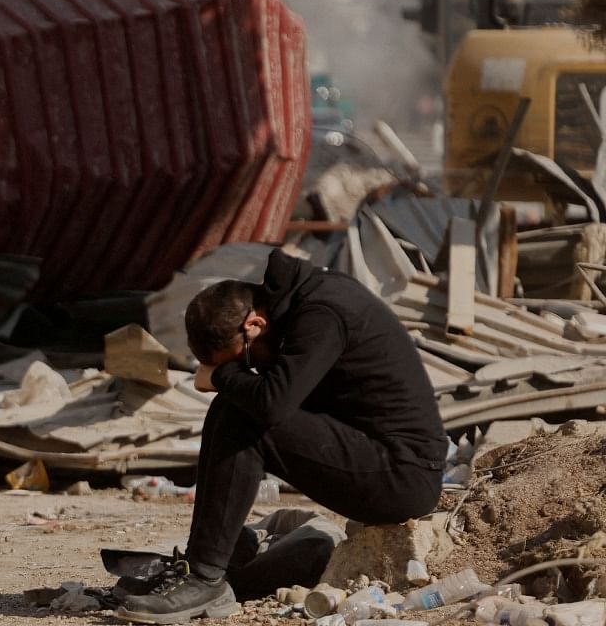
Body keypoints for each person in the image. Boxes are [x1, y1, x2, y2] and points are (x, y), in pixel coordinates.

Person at [115, 249, 448, 625]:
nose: (249, 365)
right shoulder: (302, 303)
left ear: (254, 323)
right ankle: (204, 567)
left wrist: (220, 377)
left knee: (247, 416)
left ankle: (206, 577)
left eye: (243, 357)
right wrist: (230, 378)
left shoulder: (323, 313)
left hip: (403, 477)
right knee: (233, 408)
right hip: (374, 453)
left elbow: (274, 403)